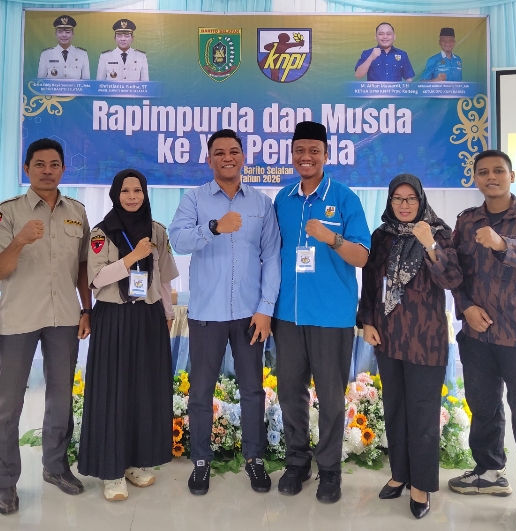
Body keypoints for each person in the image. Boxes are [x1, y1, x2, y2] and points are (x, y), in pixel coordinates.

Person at [448, 149, 516, 531]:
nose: (491, 177)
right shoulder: (467, 221)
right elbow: (455, 272)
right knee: (483, 407)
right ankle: (489, 471)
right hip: (478, 335)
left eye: (498, 171)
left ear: (512, 175)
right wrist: (465, 307)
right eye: (483, 172)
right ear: (475, 178)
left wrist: (503, 245)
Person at [168, 129, 281, 496]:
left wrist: (265, 309)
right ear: (209, 160)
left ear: (244, 157)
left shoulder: (261, 203)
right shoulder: (194, 199)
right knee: (201, 391)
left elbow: (272, 257)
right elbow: (177, 240)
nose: (227, 157)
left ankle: (254, 457)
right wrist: (214, 227)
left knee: (253, 390)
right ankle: (201, 460)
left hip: (250, 315)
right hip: (206, 314)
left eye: (234, 151)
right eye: (219, 153)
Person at [0, 138, 92, 515]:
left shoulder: (77, 211)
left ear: (63, 169)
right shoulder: (7, 211)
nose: (47, 170)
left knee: (61, 398)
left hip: (64, 317)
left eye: (54, 164)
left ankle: (55, 466)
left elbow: (83, 265)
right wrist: (19, 241)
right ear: (26, 168)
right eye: (40, 164)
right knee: (8, 402)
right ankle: (5, 481)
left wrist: (87, 308)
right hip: (19, 318)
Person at [273, 121, 371, 504]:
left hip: (331, 316)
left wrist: (331, 237)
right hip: (288, 314)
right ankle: (297, 461)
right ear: (292, 155)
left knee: (330, 397)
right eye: (300, 150)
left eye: (314, 150)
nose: (306, 157)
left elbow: (361, 256)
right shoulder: (283, 199)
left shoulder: (345, 199)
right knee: (289, 393)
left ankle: (329, 469)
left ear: (326, 155)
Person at [358, 174, 462, 519]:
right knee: (395, 408)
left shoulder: (439, 233)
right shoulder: (381, 236)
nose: (404, 205)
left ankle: (421, 485)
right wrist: (367, 321)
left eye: (411, 198)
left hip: (425, 340)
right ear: (390, 202)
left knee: (422, 414)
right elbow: (370, 283)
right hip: (388, 336)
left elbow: (452, 279)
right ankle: (400, 474)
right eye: (397, 199)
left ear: (421, 200)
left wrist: (429, 245)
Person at [77, 169, 179, 501]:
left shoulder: (157, 231)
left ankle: (136, 461)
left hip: (148, 316)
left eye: (137, 190)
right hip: (114, 316)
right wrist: (132, 257)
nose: (132, 196)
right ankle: (111, 471)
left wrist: (167, 313)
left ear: (145, 194)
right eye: (125, 191)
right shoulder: (101, 232)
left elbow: (164, 277)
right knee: (112, 390)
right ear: (115, 195)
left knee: (144, 390)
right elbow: (96, 278)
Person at [37, 15, 90, 80]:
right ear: (55, 34)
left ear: (73, 34)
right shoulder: (46, 55)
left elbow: (86, 82)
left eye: (68, 32)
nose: (64, 35)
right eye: (60, 32)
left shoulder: (82, 54)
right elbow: (40, 82)